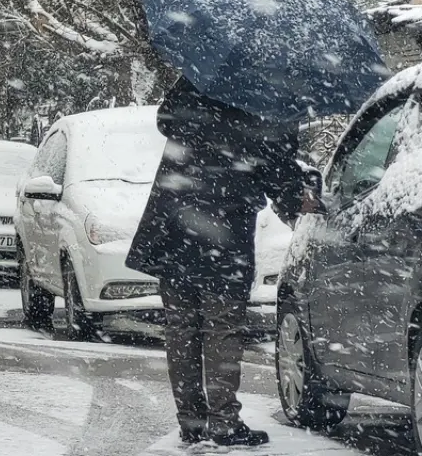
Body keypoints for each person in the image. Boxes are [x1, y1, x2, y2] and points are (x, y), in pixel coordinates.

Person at [127, 78, 306, 447]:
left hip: (174, 220)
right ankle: (223, 422)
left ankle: (192, 423)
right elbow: (277, 166)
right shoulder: (270, 92)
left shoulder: (201, 76)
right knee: (222, 326)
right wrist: (295, 201)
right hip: (224, 230)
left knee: (182, 327)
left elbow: (168, 119)